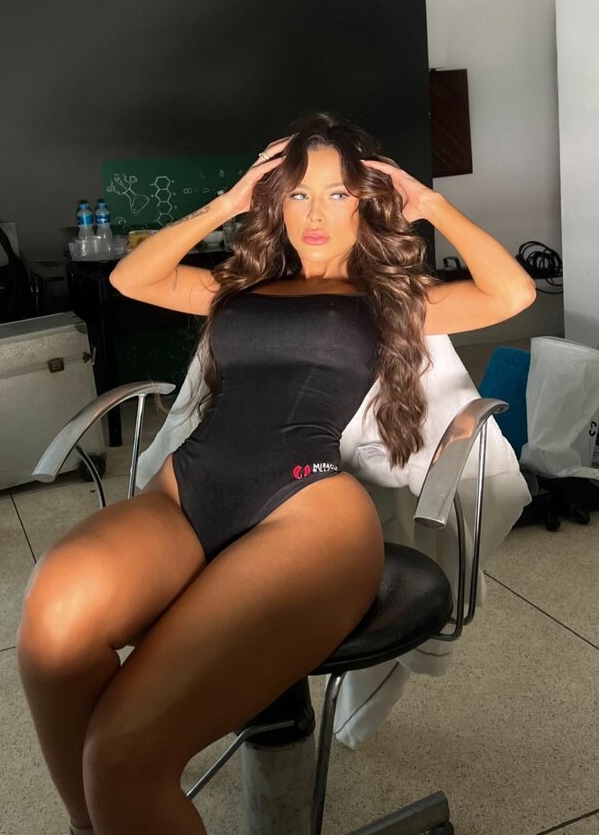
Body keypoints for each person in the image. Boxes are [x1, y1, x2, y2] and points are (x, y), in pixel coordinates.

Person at [17, 112, 535, 835]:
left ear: (366, 201)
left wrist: (431, 204)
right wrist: (229, 202)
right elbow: (132, 277)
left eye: (337, 194)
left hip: (306, 512)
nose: (314, 214)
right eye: (297, 194)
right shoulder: (241, 284)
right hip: (188, 491)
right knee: (51, 629)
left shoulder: (393, 299)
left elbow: (512, 295)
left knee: (121, 753)